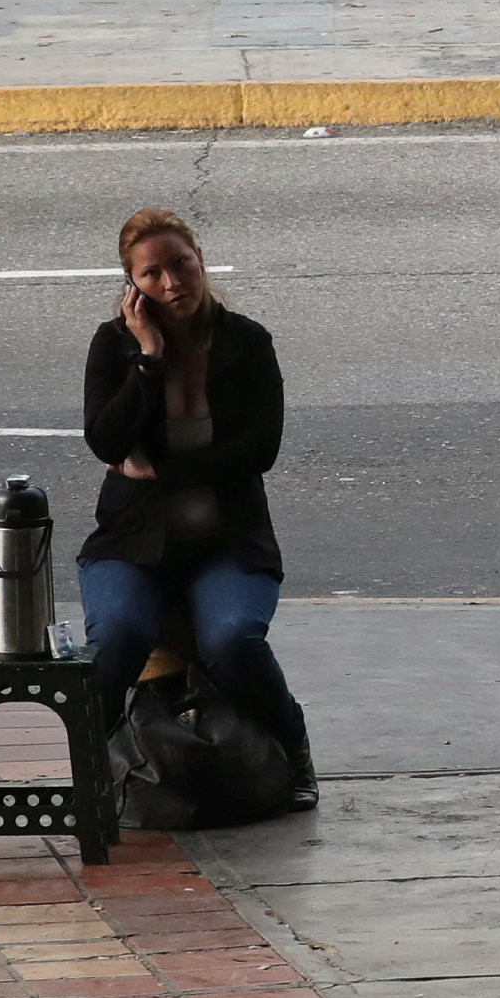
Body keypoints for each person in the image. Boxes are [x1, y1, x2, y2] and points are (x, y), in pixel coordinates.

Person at [78, 206, 316, 814]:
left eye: (180, 264)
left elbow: (259, 451)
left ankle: (294, 745)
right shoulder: (113, 344)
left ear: (201, 259)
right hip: (132, 542)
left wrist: (159, 469)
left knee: (233, 639)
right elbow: (105, 441)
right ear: (133, 285)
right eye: (152, 273)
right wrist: (148, 358)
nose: (171, 282)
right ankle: (91, 771)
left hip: (228, 541)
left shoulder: (247, 341)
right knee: (117, 639)